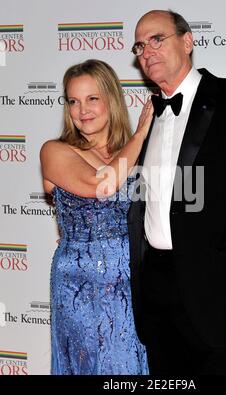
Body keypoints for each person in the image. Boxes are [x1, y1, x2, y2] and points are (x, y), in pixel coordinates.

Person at [127, 10, 226, 375]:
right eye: (139, 45)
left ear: (187, 41)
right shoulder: (147, 117)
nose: (146, 50)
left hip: (221, 302)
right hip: (158, 300)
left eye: (157, 39)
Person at [40, 59, 153, 375]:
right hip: (80, 283)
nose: (81, 110)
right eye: (73, 101)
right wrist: (142, 131)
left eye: (92, 99)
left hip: (133, 281)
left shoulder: (140, 153)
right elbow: (99, 185)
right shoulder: (55, 151)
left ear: (111, 100)